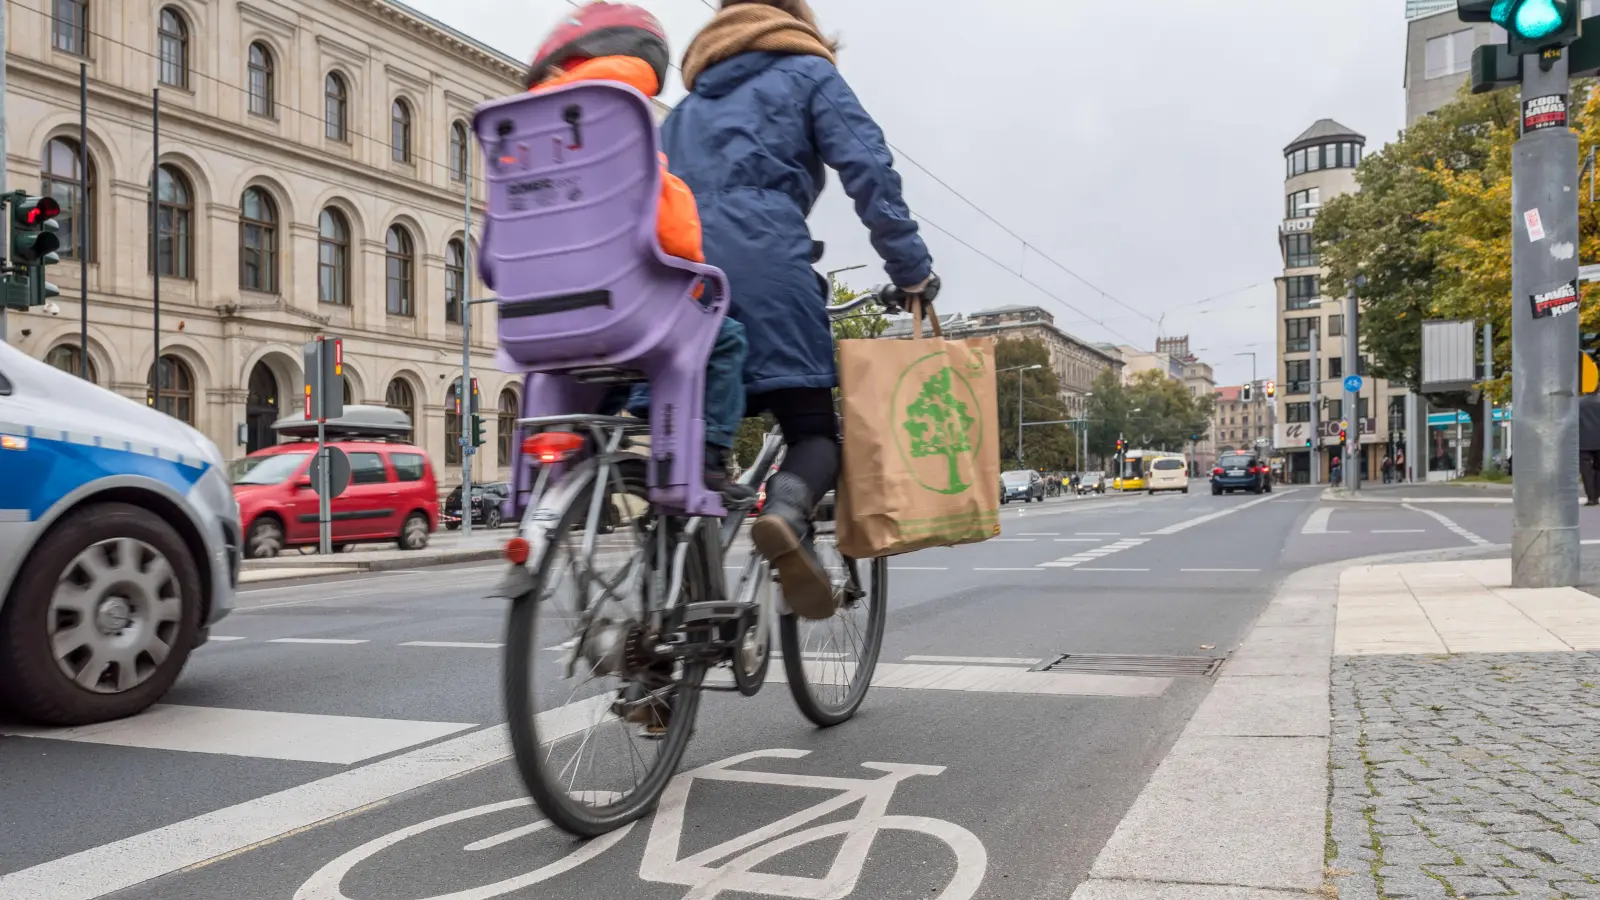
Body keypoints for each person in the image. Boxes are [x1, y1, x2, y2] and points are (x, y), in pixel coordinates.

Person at [663, 0, 936, 619]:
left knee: (692, 451)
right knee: (813, 430)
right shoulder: (809, 72)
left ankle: (669, 634)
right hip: (763, 266)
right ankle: (786, 512)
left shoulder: (682, 112)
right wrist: (911, 271)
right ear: (795, 22)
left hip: (675, 279)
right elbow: (869, 168)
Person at [525, 3, 752, 502]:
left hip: (537, 320)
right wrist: (690, 255)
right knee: (724, 336)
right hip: (622, 309)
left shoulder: (524, 126)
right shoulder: (619, 112)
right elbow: (672, 232)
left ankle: (580, 456)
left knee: (594, 363)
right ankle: (710, 458)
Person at [1581, 394, 1600, 505]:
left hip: (1583, 441)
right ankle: (1596, 494)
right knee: (1598, 468)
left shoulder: (1579, 403)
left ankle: (1591, 497)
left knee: (1586, 470)